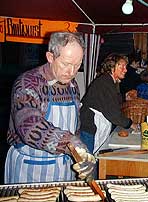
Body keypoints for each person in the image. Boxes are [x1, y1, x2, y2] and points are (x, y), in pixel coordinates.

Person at [5, 32, 95, 184]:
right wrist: (71, 143)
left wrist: (81, 154)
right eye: (66, 64)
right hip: (30, 170)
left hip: (64, 168)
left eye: (77, 65)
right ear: (50, 57)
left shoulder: (72, 87)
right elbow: (30, 127)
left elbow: (75, 128)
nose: (71, 72)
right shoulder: (28, 83)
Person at [80, 53, 138, 154]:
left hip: (90, 125)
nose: (126, 70)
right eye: (122, 66)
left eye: (126, 66)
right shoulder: (105, 83)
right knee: (88, 160)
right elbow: (114, 115)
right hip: (89, 126)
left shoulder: (108, 81)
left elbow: (110, 100)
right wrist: (130, 123)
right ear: (112, 66)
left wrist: (124, 97)